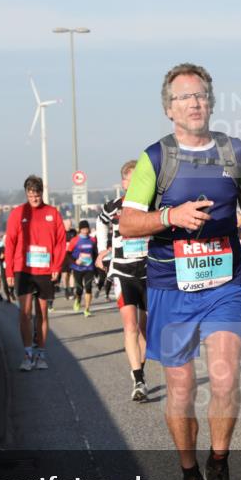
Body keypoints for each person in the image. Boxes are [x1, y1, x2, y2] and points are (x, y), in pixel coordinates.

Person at [119, 63, 241, 480]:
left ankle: (219, 465)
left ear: (211, 101)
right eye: (184, 97)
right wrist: (171, 216)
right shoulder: (155, 159)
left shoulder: (232, 149)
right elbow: (128, 223)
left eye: (201, 95)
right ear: (169, 109)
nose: (195, 103)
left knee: (224, 377)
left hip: (225, 281)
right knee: (181, 390)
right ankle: (188, 473)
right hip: (170, 285)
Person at [97, 160, 151, 402]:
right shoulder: (114, 207)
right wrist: (101, 250)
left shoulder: (149, 204)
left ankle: (141, 368)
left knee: (145, 328)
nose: (136, 184)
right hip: (122, 271)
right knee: (130, 325)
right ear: (124, 182)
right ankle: (138, 379)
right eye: (132, 179)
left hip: (149, 271)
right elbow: (100, 222)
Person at [4, 175, 66, 371]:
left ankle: (40, 354)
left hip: (45, 269)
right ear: (26, 194)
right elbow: (10, 243)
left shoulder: (52, 213)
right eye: (30, 196)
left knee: (42, 313)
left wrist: (57, 267)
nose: (34, 199)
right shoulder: (17, 213)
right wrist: (9, 271)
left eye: (37, 196)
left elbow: (60, 242)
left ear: (41, 193)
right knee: (25, 313)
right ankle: (27, 353)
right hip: (23, 268)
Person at [67, 220, 98, 317]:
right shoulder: (75, 240)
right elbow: (68, 254)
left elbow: (95, 253)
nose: (85, 231)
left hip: (89, 267)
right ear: (80, 229)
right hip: (78, 268)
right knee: (79, 288)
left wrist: (97, 267)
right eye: (83, 229)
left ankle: (87, 309)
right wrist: (75, 261)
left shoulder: (92, 240)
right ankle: (78, 299)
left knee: (88, 287)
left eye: (86, 228)